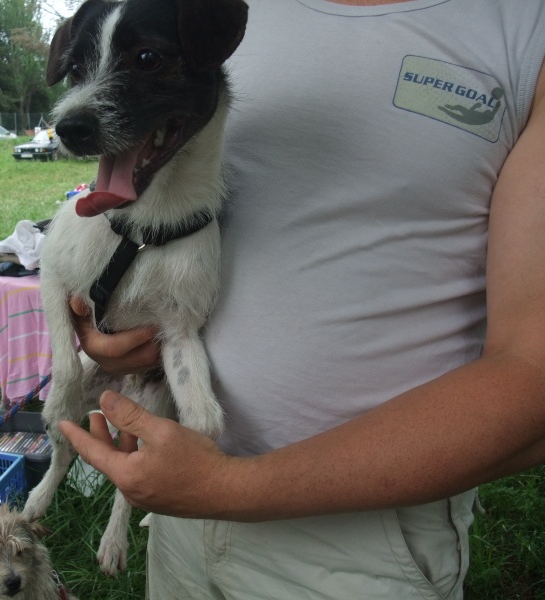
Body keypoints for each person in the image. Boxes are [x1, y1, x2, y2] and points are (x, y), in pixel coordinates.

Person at [57, 1, 545, 598]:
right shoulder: (200, 12)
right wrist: (114, 314)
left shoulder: (524, 30)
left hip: (361, 539)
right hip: (177, 492)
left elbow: (535, 372)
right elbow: (160, 210)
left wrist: (232, 487)